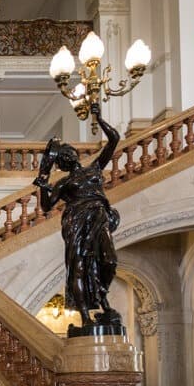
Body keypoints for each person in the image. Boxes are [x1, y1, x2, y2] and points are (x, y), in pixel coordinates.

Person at [33, 103, 122, 331]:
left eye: (70, 150)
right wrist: (43, 183)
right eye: (64, 154)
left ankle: (101, 297)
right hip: (76, 221)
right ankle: (85, 315)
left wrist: (99, 117)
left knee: (109, 260)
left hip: (98, 216)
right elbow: (46, 206)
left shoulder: (94, 168)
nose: (69, 153)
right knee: (79, 267)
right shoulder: (63, 183)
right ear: (61, 163)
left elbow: (114, 139)